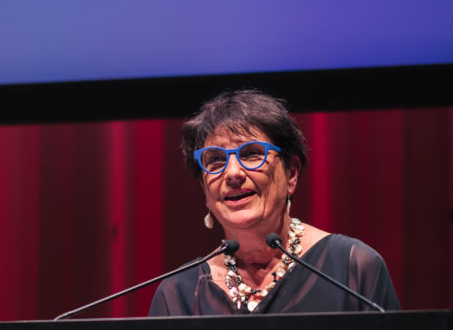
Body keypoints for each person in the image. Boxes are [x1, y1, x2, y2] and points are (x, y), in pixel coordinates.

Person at [148, 89, 399, 316]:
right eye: (215, 160)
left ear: (291, 173)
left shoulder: (352, 268)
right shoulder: (178, 294)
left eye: (251, 154)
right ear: (204, 189)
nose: (233, 173)